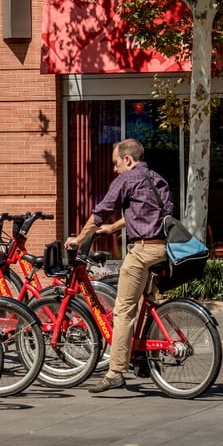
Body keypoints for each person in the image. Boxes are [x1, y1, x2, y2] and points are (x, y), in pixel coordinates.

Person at [64, 138, 173, 393]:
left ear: (127, 159)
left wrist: (79, 239)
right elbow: (151, 212)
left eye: (115, 164)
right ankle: (146, 359)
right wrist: (114, 227)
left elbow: (101, 210)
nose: (114, 169)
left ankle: (115, 372)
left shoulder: (126, 179)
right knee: (144, 305)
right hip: (163, 249)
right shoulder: (157, 179)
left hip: (141, 251)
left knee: (123, 311)